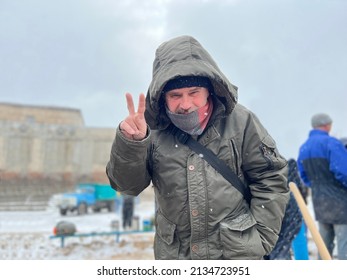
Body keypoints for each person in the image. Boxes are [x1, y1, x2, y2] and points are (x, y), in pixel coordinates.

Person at [106, 35, 290, 260]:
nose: (185, 104)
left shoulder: (241, 122)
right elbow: (127, 186)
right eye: (175, 95)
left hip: (236, 257)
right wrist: (132, 144)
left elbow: (270, 178)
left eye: (194, 93)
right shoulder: (150, 130)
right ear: (162, 96)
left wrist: (261, 238)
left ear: (210, 89)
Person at [297, 113, 347, 260]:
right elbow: (343, 171)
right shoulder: (332, 143)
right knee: (344, 244)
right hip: (340, 202)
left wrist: (318, 188)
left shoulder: (304, 147)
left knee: (323, 246)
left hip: (320, 202)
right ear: (327, 125)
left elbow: (304, 176)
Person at [267, 158, 308, 260]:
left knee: (280, 249)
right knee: (298, 244)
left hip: (275, 213)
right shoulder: (291, 167)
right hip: (292, 212)